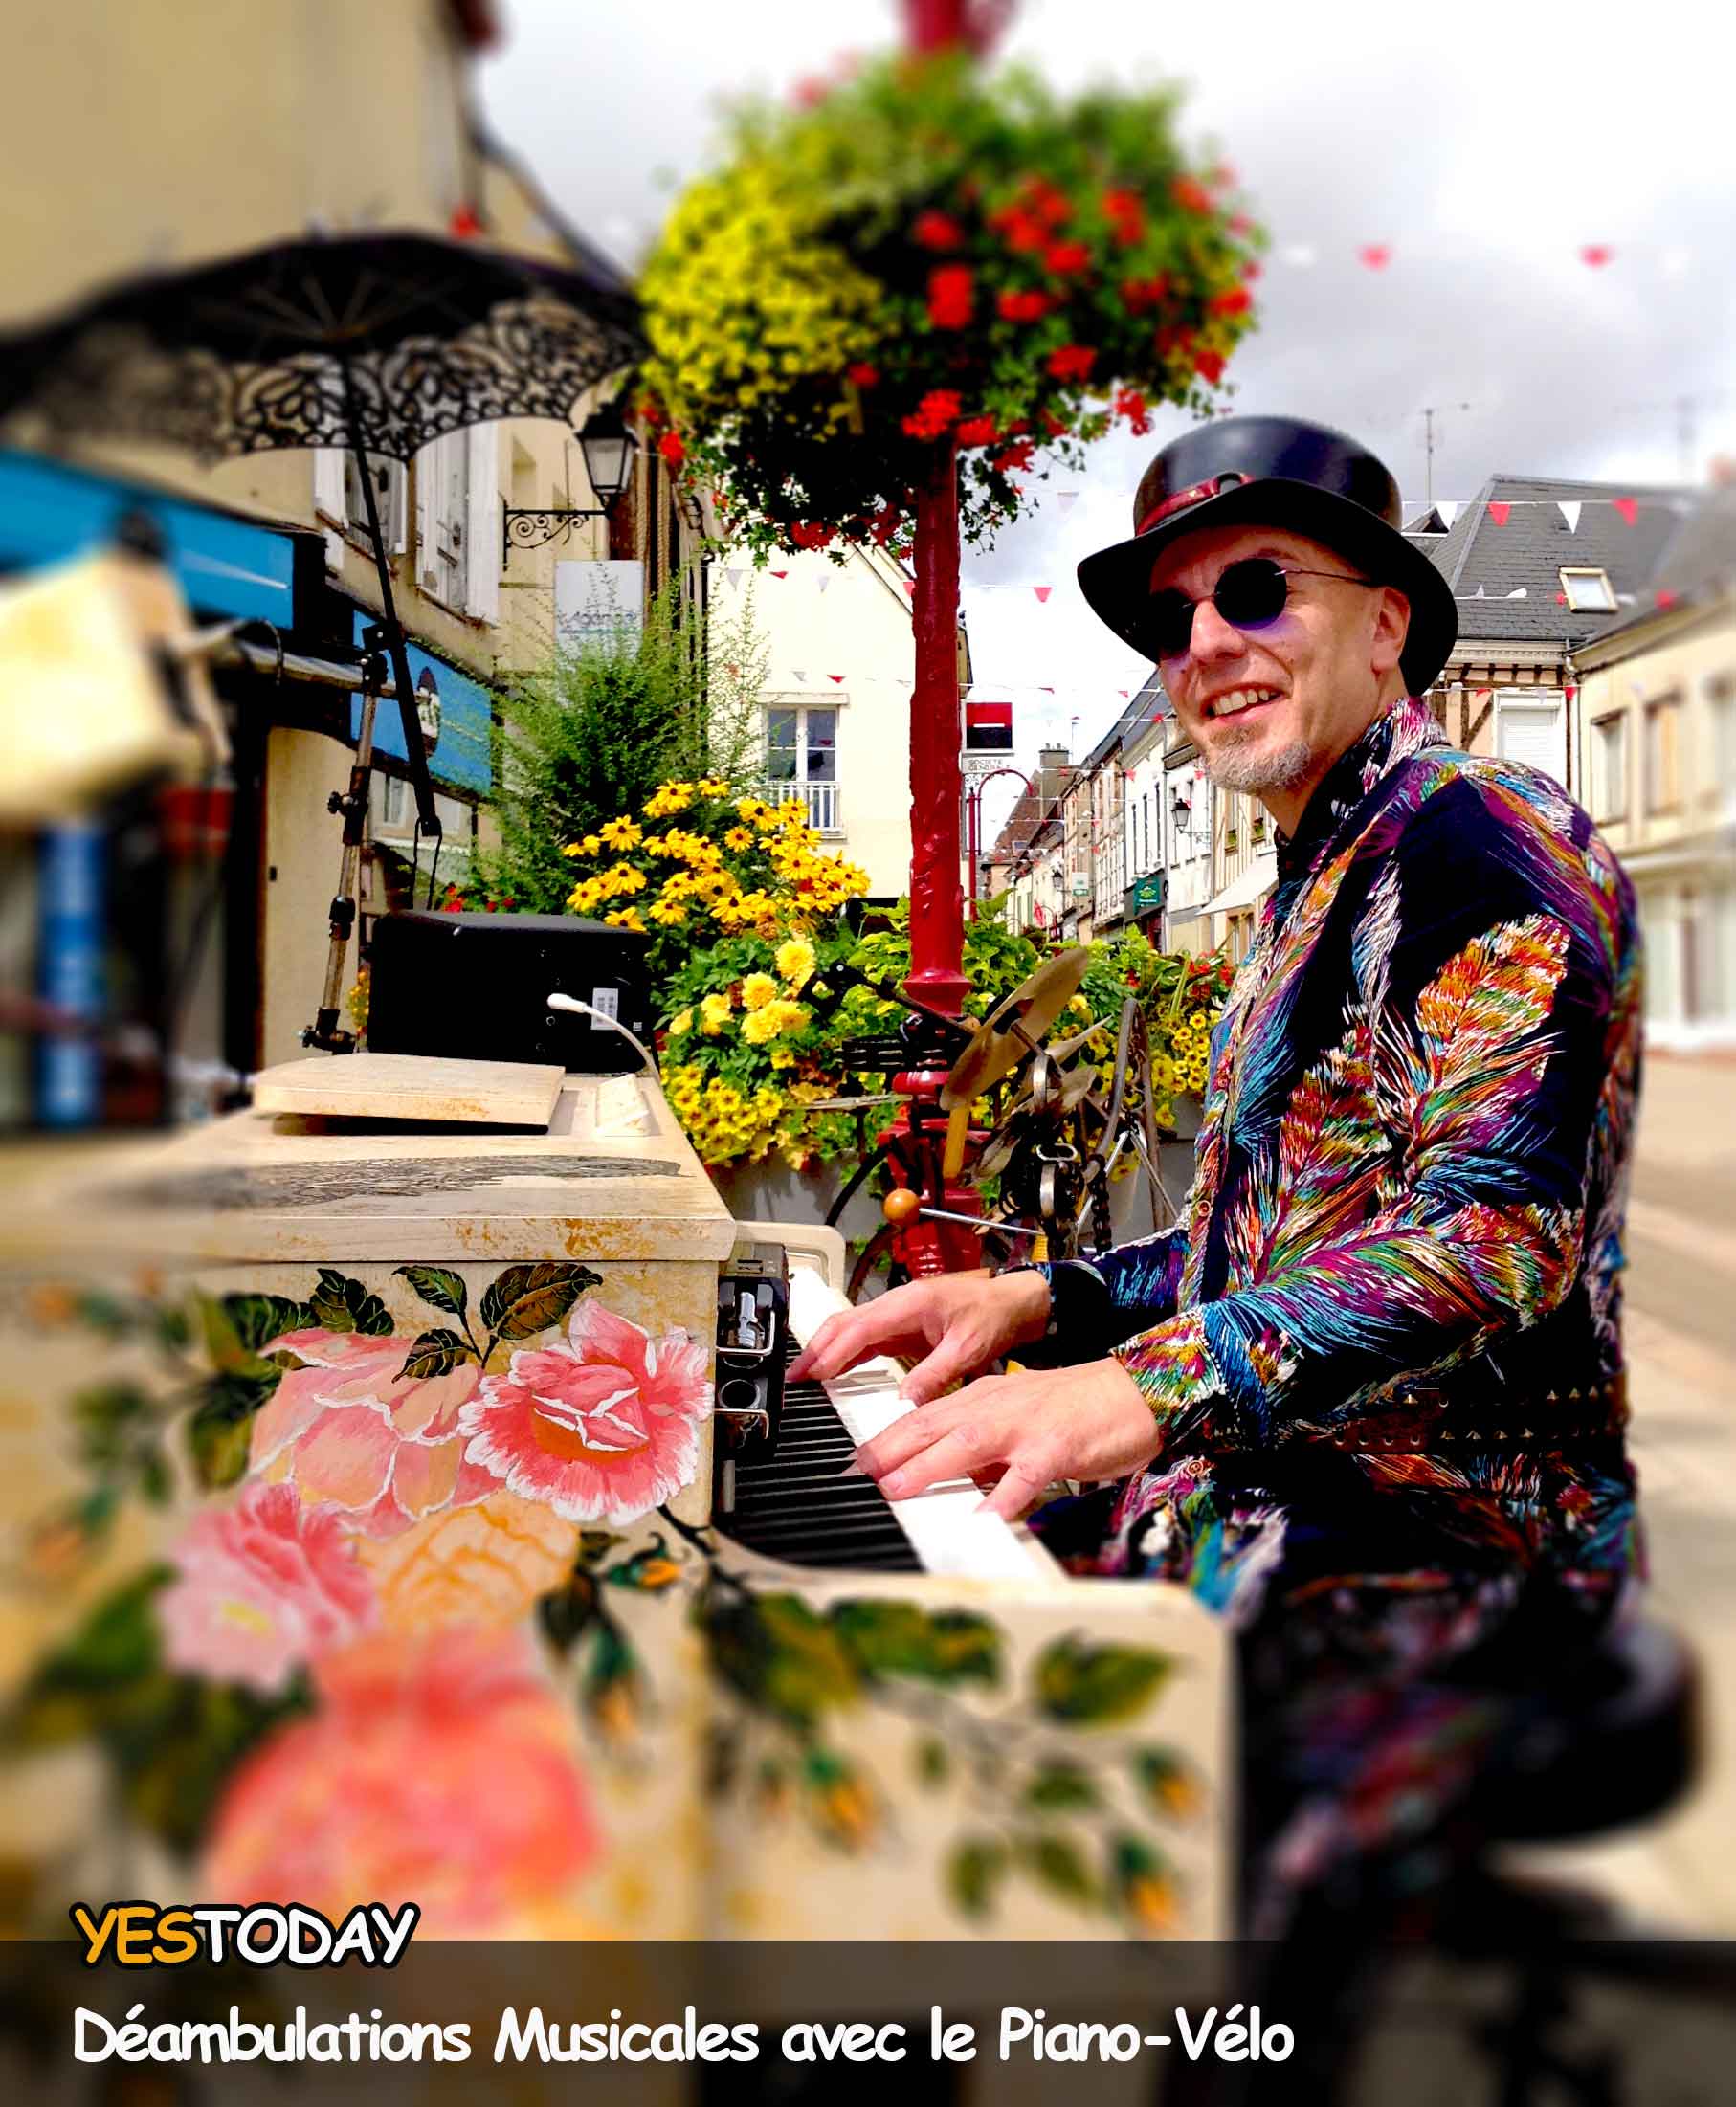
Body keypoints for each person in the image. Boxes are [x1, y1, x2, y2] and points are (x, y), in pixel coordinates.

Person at [791, 415, 1644, 1935]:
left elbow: (1497, 1232)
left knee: (1005, 1860)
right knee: (857, 1646)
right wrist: (1033, 1295)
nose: (1203, 642)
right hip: (1276, 1502)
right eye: (1171, 617)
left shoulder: (1479, 841)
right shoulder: (1322, 865)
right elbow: (1245, 1254)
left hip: (1441, 1562)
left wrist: (1139, 1387)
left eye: (1255, 589)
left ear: (1385, 623)